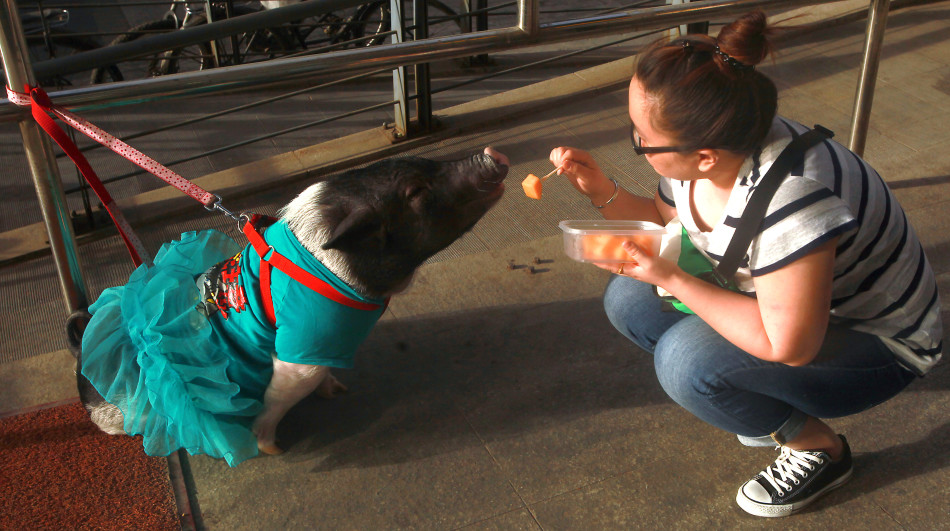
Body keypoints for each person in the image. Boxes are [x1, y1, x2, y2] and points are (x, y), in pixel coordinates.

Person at [548, 10, 942, 518]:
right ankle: (760, 403)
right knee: (630, 299)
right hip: (790, 302)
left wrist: (671, 277)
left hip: (877, 344)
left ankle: (817, 447)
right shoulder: (714, 145)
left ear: (704, 155)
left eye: (641, 136)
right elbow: (670, 224)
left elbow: (790, 345)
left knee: (685, 361)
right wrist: (601, 190)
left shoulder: (794, 198)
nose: (637, 142)